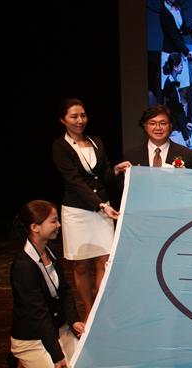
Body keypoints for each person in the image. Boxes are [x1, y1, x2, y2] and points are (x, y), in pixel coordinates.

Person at [9, 200, 98, 368]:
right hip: (33, 337)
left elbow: (64, 291)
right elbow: (38, 314)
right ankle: (24, 361)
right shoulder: (24, 266)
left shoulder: (50, 250)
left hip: (58, 329)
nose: (58, 225)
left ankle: (36, 365)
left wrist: (73, 321)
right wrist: (56, 356)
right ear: (35, 227)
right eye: (53, 221)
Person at [52, 98, 131, 318]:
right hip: (77, 212)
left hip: (102, 210)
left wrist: (115, 170)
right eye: (74, 116)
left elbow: (103, 176)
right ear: (63, 120)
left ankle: (101, 311)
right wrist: (100, 205)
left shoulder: (96, 141)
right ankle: (88, 309)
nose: (80, 120)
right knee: (81, 266)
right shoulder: (59, 146)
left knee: (104, 262)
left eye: (83, 115)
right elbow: (74, 181)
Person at [123, 105, 192, 169]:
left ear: (170, 126)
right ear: (145, 126)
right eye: (152, 123)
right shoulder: (131, 155)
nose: (158, 128)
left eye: (163, 123)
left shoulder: (186, 154)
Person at [159, 0, 192, 89]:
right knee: (169, 88)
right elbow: (173, 36)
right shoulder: (164, 12)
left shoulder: (178, 8)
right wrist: (188, 52)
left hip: (180, 52)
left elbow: (182, 31)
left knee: (183, 87)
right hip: (170, 53)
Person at [161, 53, 191, 144]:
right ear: (175, 67)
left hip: (177, 126)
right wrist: (186, 137)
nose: (182, 67)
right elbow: (176, 112)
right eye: (181, 65)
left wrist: (186, 122)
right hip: (174, 130)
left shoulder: (173, 81)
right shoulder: (170, 84)